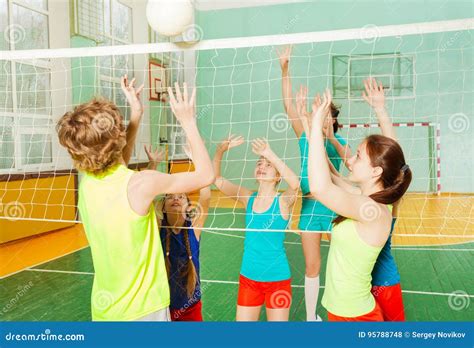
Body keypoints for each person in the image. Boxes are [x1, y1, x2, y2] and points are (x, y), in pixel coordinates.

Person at [56, 79, 214, 321]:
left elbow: (114, 159)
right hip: (145, 310)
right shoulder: (143, 183)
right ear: (116, 138)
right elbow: (206, 175)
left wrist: (136, 114)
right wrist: (188, 121)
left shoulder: (86, 182)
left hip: (105, 311)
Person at [307, 88, 412, 321]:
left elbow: (320, 188)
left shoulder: (372, 210)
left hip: (357, 314)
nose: (350, 160)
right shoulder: (362, 199)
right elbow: (330, 177)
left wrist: (316, 126)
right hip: (342, 310)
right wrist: (313, 130)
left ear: (376, 171)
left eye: (357, 156)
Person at [277, 45, 351, 321]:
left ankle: (343, 313)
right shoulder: (304, 138)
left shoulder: (339, 143)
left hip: (334, 210)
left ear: (333, 120)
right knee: (312, 266)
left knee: (342, 263)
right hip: (309, 209)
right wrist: (285, 68)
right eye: (318, 111)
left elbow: (348, 166)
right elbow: (288, 105)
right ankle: (311, 318)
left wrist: (328, 136)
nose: (322, 116)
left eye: (326, 112)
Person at [213, 136, 299, 321]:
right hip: (249, 278)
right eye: (259, 163)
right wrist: (220, 151)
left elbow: (296, 184)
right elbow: (217, 180)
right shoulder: (247, 197)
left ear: (277, 177)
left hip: (278, 279)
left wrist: (269, 153)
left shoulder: (282, 202)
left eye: (268, 165)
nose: (262, 166)